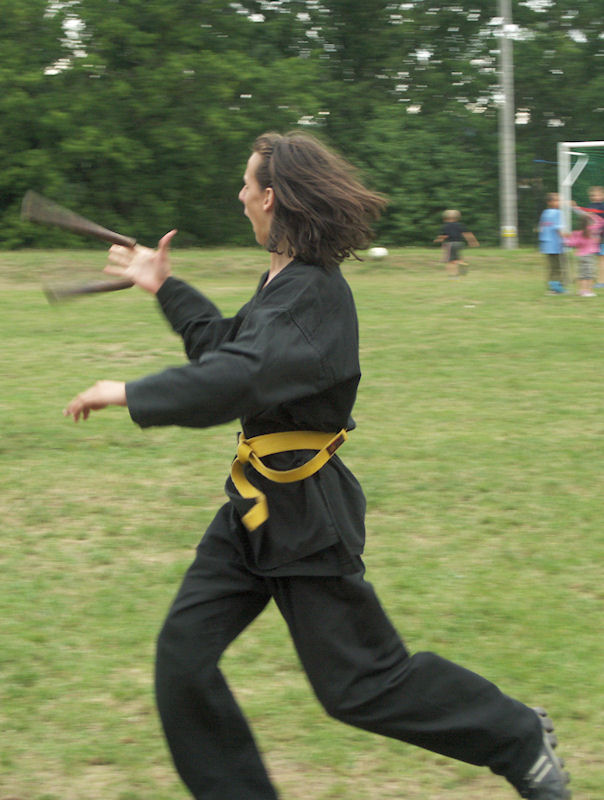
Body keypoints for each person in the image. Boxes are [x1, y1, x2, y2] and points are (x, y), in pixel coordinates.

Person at [64, 131, 571, 800]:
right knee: (183, 661)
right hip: (255, 511)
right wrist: (163, 284)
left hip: (305, 517)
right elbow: (227, 348)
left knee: (361, 685)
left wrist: (130, 392)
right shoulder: (282, 281)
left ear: (271, 197)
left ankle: (516, 736)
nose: (239, 196)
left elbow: (238, 378)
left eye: (246, 185)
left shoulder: (311, 296)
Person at [563, 207, 604, 297]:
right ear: (591, 222)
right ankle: (588, 291)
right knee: (589, 274)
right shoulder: (593, 230)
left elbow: (571, 243)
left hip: (581, 256)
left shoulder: (578, 233)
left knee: (582, 274)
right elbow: (601, 222)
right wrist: (592, 215)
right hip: (590, 256)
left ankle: (582, 291)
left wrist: (566, 238)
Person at [434, 209, 479, 276]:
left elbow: (444, 235)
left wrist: (438, 240)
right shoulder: (460, 225)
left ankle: (452, 275)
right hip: (460, 243)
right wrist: (473, 242)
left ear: (445, 218)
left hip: (450, 244)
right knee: (457, 258)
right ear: (458, 218)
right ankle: (462, 263)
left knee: (450, 261)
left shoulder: (446, 226)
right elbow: (467, 234)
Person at [538, 193, 566, 294]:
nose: (560, 202)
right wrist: (566, 239)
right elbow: (558, 229)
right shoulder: (558, 213)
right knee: (558, 267)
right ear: (550, 202)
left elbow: (541, 228)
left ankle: (552, 287)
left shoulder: (545, 213)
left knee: (552, 267)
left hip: (547, 244)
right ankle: (556, 288)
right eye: (557, 200)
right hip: (556, 245)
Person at [584, 186, 604, 287]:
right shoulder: (590, 207)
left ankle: (601, 281)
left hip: (601, 238)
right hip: (592, 237)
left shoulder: (601, 207)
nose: (596, 197)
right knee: (592, 260)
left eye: (599, 195)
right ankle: (595, 280)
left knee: (601, 260)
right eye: (593, 195)